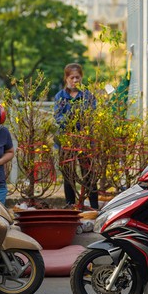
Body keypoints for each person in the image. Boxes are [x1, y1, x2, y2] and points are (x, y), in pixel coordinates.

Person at [53, 63, 98, 209]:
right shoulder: (60, 96)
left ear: (81, 78)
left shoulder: (87, 96)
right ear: (66, 78)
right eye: (71, 77)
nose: (75, 80)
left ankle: (94, 207)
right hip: (66, 140)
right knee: (68, 175)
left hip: (84, 140)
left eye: (77, 77)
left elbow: (92, 116)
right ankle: (70, 205)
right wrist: (70, 118)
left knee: (89, 174)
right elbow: (58, 118)